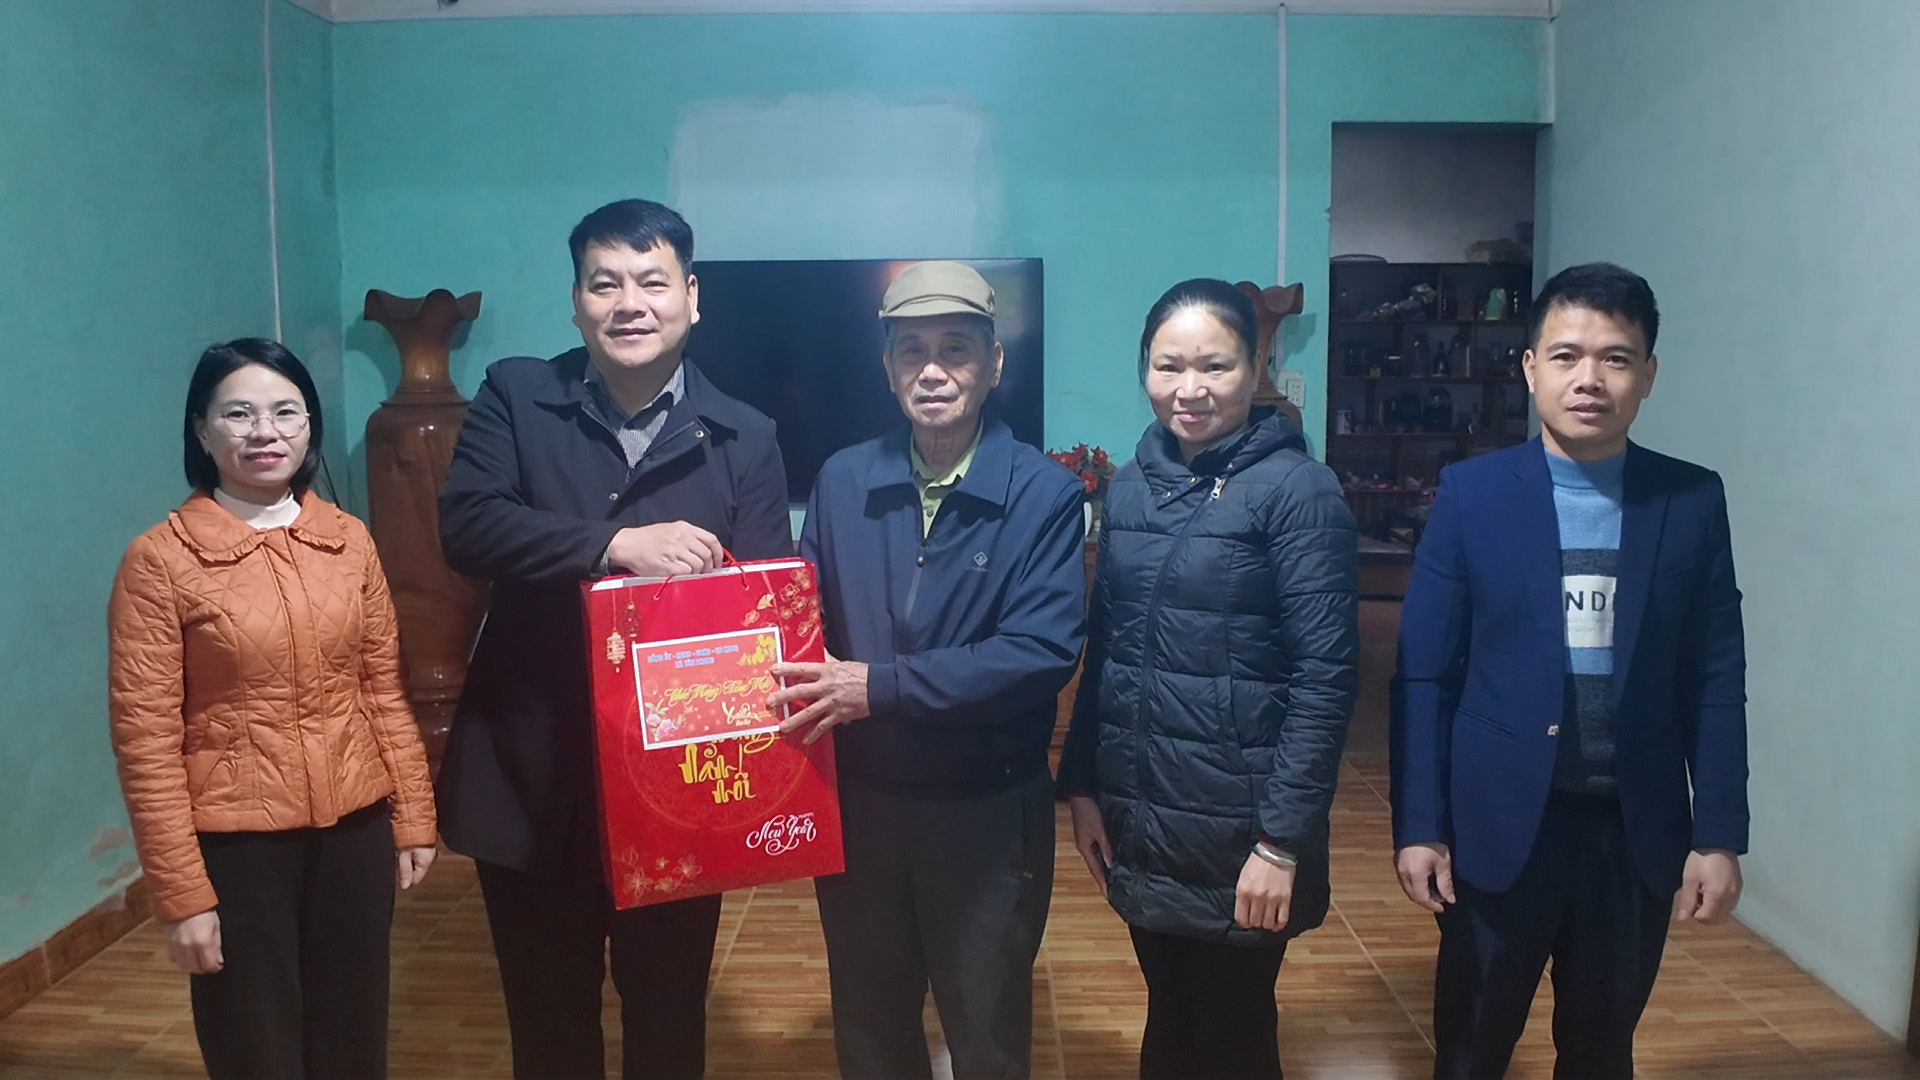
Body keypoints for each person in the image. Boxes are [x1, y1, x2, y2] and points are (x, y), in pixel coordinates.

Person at [435, 198, 793, 1080]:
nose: (629, 302)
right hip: (529, 773)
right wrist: (615, 547)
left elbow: (761, 610)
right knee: (548, 1024)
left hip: (676, 791)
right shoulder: (518, 395)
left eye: (651, 281)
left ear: (692, 298)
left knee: (668, 1019)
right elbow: (469, 526)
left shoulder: (746, 434)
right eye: (605, 283)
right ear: (576, 303)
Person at [1390, 262, 1749, 1080]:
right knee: (1472, 1049)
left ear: (1648, 373)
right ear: (1530, 367)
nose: (1590, 378)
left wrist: (1719, 834)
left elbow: (1715, 677)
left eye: (1616, 358)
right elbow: (1423, 676)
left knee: (1600, 1050)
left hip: (1634, 831)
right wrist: (1420, 823)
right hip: (1498, 828)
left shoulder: (1690, 500)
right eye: (1566, 355)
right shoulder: (1472, 494)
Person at [768, 261, 1086, 1080]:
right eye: (912, 351)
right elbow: (801, 626)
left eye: (955, 349)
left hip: (985, 812)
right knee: (869, 1028)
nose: (933, 371)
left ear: (994, 363)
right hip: (861, 808)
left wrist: (876, 687)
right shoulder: (843, 480)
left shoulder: (1044, 494)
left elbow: (1038, 653)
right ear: (887, 367)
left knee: (985, 1035)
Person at [107, 338, 438, 1080]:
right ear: (201, 431)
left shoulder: (348, 540)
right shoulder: (160, 560)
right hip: (238, 850)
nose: (265, 432)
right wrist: (182, 895)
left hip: (354, 833)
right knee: (257, 1052)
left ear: (309, 426)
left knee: (354, 1044)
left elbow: (382, 690)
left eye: (286, 412)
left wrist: (414, 814)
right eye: (239, 414)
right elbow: (146, 740)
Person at [1058, 279, 1360, 1080]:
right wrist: (1083, 786)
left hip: (1244, 832)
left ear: (1255, 368)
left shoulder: (1299, 492)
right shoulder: (1131, 484)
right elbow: (1108, 648)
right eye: (1168, 367)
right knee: (1169, 1019)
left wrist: (1281, 844)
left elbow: (1326, 679)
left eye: (1214, 366)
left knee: (1234, 1036)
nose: (1189, 389)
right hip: (1143, 821)